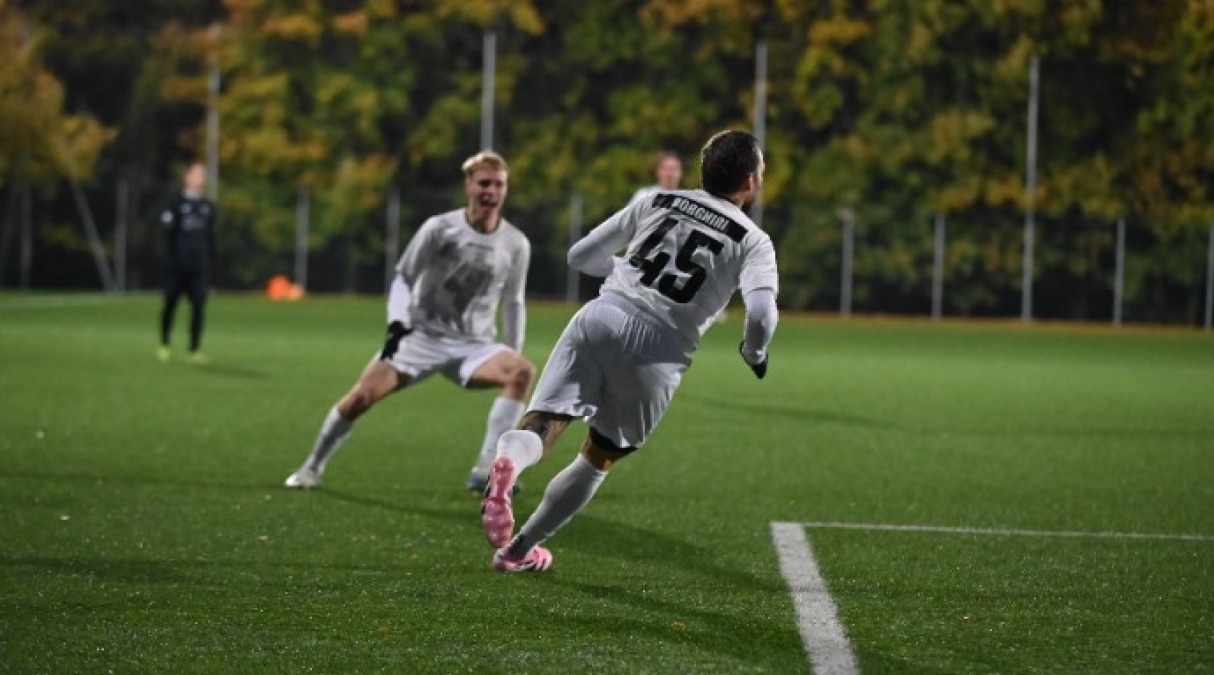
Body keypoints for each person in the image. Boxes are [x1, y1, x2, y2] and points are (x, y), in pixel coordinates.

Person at [480, 130, 779, 572]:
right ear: (751, 181)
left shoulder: (658, 200)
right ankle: (518, 550)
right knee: (599, 456)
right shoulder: (753, 240)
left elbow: (581, 255)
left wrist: (624, 272)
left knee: (544, 423)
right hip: (659, 350)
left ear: (703, 171)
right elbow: (761, 314)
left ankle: (508, 459)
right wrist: (754, 354)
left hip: (601, 316)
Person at [283, 151, 535, 493]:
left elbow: (514, 300)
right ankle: (312, 467)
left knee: (521, 372)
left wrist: (513, 349)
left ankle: (487, 467)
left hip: (474, 346)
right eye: (484, 183)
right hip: (420, 337)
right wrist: (397, 324)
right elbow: (404, 276)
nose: (491, 191)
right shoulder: (440, 228)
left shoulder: (516, 243)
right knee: (360, 398)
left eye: (499, 184)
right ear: (468, 186)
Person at [158, 162, 217, 364]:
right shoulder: (175, 203)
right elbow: (167, 235)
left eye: (202, 175)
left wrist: (210, 265)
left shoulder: (208, 207)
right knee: (170, 304)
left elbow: (211, 239)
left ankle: (194, 348)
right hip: (177, 266)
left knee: (199, 307)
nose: (199, 179)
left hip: (199, 268)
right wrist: (172, 260)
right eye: (196, 174)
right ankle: (164, 343)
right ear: (187, 177)